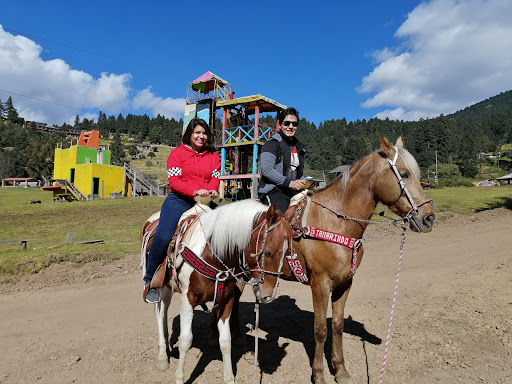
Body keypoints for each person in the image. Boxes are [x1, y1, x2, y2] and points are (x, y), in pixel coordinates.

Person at [143, 118, 221, 303]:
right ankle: (151, 282)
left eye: (204, 133)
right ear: (190, 134)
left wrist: (212, 190)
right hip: (179, 200)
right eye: (197, 132)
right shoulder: (177, 154)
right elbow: (175, 182)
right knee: (162, 237)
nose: (201, 136)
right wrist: (194, 191)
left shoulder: (213, 156)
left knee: (227, 230)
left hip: (205, 202)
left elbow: (215, 178)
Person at [258, 107, 307, 213]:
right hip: (274, 191)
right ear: (280, 124)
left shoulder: (298, 147)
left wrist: (306, 182)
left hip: (292, 191)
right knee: (281, 222)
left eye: (294, 124)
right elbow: (267, 170)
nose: (290, 127)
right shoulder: (271, 145)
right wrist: (290, 183)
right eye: (287, 123)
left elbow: (297, 174)